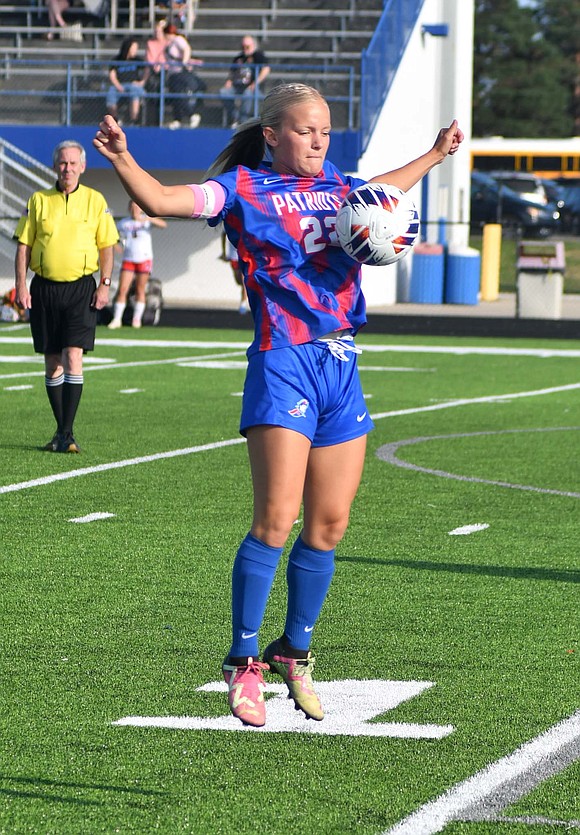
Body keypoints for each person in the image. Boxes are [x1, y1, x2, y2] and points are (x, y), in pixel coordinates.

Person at [93, 83, 463, 727]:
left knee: (329, 525)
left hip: (340, 362)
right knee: (277, 518)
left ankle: (295, 651)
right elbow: (162, 200)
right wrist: (123, 157)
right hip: (283, 360)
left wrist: (434, 155)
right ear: (273, 135)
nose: (318, 140)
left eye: (324, 130)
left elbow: (384, 186)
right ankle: (241, 663)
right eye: (304, 130)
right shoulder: (241, 189)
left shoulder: (345, 188)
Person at [14, 140, 118, 454]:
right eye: (62, 163)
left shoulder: (95, 201)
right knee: (52, 360)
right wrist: (21, 284)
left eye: (73, 163)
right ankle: (62, 433)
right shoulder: (37, 201)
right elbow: (24, 247)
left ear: (83, 167)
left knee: (74, 355)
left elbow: (107, 247)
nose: (67, 169)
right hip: (44, 288)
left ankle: (66, 433)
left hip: (80, 289)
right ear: (55, 166)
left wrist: (105, 284)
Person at [108, 200, 167, 329]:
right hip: (128, 259)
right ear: (129, 208)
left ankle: (137, 319)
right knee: (123, 289)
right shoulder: (124, 223)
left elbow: (163, 224)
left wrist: (148, 219)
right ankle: (117, 319)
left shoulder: (146, 221)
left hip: (144, 259)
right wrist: (116, 246)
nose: (135, 209)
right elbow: (112, 236)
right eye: (133, 207)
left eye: (137, 207)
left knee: (141, 289)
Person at [220, 35, 270, 128]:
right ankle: (235, 117)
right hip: (237, 86)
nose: (245, 49)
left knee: (247, 93)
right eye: (243, 47)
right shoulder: (238, 58)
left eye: (247, 47)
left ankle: (243, 121)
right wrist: (229, 80)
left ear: (253, 46)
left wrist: (255, 83)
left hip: (253, 88)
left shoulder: (258, 56)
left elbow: (266, 69)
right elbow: (232, 72)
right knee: (224, 92)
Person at [164, 23, 205, 130]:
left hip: (179, 73)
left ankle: (191, 115)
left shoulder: (178, 39)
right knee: (175, 96)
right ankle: (177, 119)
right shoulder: (170, 44)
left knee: (179, 95)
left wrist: (184, 62)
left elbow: (186, 49)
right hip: (173, 73)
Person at [106, 37, 147, 126]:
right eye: (134, 48)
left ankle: (134, 120)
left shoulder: (137, 60)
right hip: (120, 85)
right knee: (111, 93)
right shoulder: (116, 59)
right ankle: (116, 120)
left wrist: (142, 81)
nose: (135, 51)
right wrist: (118, 85)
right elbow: (112, 74)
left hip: (133, 85)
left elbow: (147, 69)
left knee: (134, 92)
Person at [221, 232, 248, 314]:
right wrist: (224, 252)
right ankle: (244, 296)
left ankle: (243, 303)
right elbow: (224, 234)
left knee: (244, 281)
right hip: (233, 256)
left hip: (244, 256)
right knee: (238, 281)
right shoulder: (231, 221)